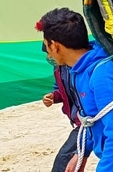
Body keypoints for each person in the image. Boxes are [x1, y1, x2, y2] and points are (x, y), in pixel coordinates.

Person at [37, 8, 113, 172]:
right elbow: (91, 119)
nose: (47, 52)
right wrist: (82, 153)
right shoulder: (79, 70)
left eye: (46, 45)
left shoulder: (102, 77)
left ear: (55, 46)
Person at [41, 43, 83, 172]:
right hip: (80, 122)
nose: (49, 56)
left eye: (49, 52)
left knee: (65, 158)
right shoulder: (58, 68)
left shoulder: (81, 66)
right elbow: (61, 89)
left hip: (90, 121)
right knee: (66, 158)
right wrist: (54, 96)